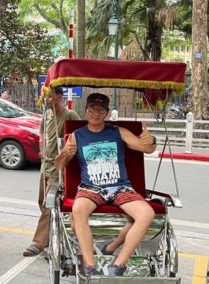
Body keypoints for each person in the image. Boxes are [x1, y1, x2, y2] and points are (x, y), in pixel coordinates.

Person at [55, 93, 156, 276]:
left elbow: (146, 148)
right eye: (92, 108)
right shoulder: (77, 136)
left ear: (106, 113)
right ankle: (91, 267)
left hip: (120, 187)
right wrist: (65, 153)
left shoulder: (118, 132)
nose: (96, 113)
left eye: (100, 109)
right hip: (91, 188)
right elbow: (59, 165)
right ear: (86, 111)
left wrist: (152, 141)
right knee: (77, 211)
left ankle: (117, 265)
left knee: (146, 213)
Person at [23, 86, 80, 256]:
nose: (46, 99)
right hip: (45, 165)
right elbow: (42, 130)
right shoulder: (47, 114)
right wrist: (42, 145)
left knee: (48, 205)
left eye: (49, 96)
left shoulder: (69, 115)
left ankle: (38, 242)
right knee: (41, 201)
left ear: (59, 97)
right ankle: (53, 232)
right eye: (45, 96)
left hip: (59, 168)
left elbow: (78, 136)